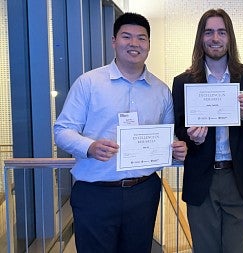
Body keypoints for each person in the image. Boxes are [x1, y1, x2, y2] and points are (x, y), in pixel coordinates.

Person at [54, 12, 187, 253]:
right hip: (95, 192)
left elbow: (169, 135)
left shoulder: (161, 90)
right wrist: (90, 147)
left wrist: (177, 147)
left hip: (144, 191)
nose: (134, 43)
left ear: (149, 44)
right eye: (127, 36)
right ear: (114, 41)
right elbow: (62, 130)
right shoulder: (89, 83)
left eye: (142, 38)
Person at [172, 8, 243, 253]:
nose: (215, 38)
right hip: (202, 178)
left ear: (229, 37)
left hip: (239, 178)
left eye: (221, 32)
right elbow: (180, 128)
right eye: (209, 32)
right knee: (204, 249)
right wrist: (192, 137)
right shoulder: (183, 81)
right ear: (200, 38)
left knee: (238, 249)